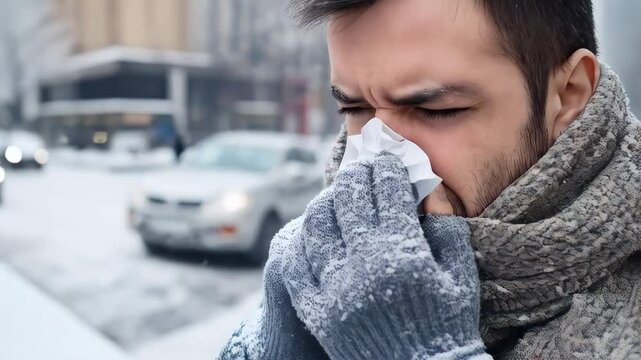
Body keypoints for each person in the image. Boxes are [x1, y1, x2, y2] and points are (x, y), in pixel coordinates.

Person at [219, 0, 641, 359]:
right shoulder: (327, 271)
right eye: (354, 109)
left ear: (568, 94)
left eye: (436, 111)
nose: (381, 160)